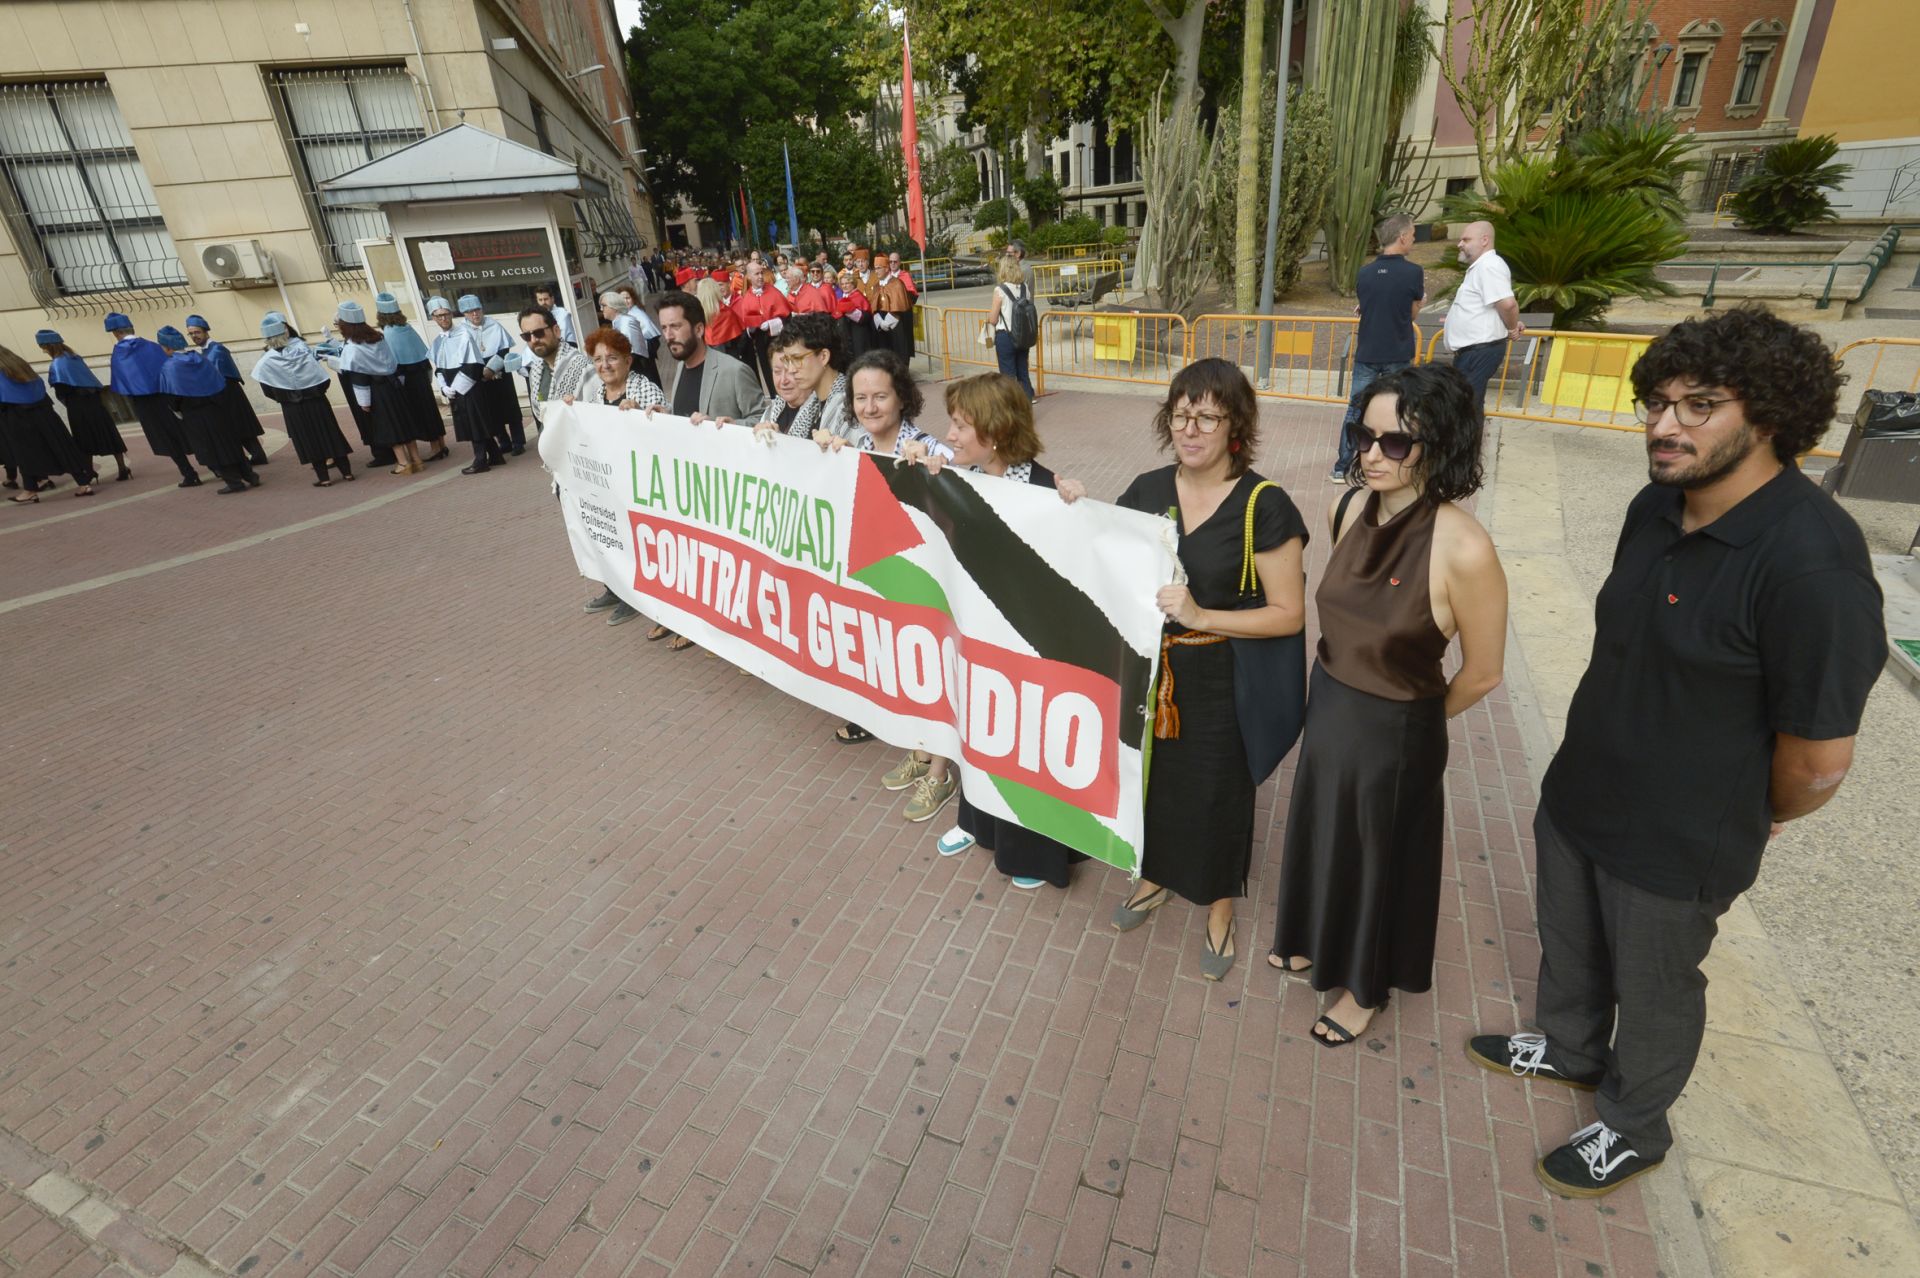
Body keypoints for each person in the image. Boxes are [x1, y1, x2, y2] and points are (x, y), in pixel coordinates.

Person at [1468, 307, 1885, 1198]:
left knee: (1657, 992)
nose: (1665, 426)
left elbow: (1819, 761)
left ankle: (1633, 1123)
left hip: (1680, 838)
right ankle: (1571, 1046)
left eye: (1701, 406)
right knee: (1570, 946)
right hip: (1581, 793)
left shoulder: (1816, 565)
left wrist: (1753, 813)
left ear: (1769, 416)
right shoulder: (1657, 504)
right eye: (1657, 403)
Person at [1269, 364, 1508, 1044]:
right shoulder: (1346, 509)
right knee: (1323, 831)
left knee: (1378, 856)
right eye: (1362, 436)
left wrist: (1411, 719)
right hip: (1332, 708)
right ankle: (1310, 937)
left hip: (1397, 728)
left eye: (1394, 443)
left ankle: (1364, 991)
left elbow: (1484, 673)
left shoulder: (1465, 547)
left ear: (1441, 445)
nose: (1371, 455)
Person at [1112, 358, 1309, 980]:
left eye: (1207, 416)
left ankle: (1219, 908)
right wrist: (1070, 506)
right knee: (1155, 785)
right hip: (1154, 676)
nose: (1190, 430)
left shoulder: (1265, 506)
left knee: (1220, 797)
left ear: (1235, 426)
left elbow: (1287, 615)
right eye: (1180, 415)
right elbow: (1102, 556)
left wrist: (1201, 613)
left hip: (1224, 677)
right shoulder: (1146, 491)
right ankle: (1155, 880)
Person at [916, 373, 1091, 887]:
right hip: (973, 640)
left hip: (1026, 648)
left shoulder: (1045, 492)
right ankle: (978, 821)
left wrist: (1081, 504)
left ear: (994, 432)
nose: (948, 435)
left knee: (1020, 737)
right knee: (977, 728)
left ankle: (1032, 850)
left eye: (960, 424)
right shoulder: (956, 476)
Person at [820, 350, 958, 802]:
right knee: (907, 668)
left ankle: (940, 769)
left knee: (935, 670)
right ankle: (921, 749)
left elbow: (968, 479)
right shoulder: (855, 446)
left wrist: (941, 464)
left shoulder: (927, 447)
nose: (870, 407)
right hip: (883, 581)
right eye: (861, 398)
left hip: (927, 584)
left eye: (880, 396)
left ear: (902, 397)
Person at [563, 327, 668, 634]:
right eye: (597, 359)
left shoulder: (644, 390)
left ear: (628, 360)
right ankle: (616, 587)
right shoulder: (595, 394)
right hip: (607, 484)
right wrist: (572, 412)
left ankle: (633, 596)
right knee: (611, 536)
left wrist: (641, 417)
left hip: (638, 485)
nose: (604, 365)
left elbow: (667, 427)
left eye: (612, 358)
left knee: (635, 540)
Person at [1332, 214, 1424, 483]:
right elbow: (1412, 314)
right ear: (1403, 237)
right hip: (1397, 353)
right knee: (1399, 408)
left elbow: (1368, 305)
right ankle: (1397, 462)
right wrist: (1420, 302)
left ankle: (1341, 465)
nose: (1414, 240)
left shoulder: (1364, 272)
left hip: (1367, 352)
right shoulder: (1413, 273)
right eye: (1414, 235)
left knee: (1355, 409)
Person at [251, 312, 353, 487]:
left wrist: (285, 397)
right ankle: (347, 473)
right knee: (330, 433)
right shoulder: (302, 351)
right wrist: (315, 392)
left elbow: (267, 389)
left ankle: (324, 478)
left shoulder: (266, 361)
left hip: (292, 408)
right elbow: (323, 379)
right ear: (285, 333)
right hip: (317, 402)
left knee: (308, 440)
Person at [156, 325, 258, 494]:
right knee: (229, 443)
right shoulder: (199, 357)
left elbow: (172, 394)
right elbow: (218, 380)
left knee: (212, 448)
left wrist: (176, 409)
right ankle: (250, 475)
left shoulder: (171, 366)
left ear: (167, 347)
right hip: (216, 408)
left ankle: (234, 482)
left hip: (194, 414)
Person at [106, 313, 199, 486]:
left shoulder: (119, 353)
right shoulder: (153, 346)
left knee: (165, 438)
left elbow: (121, 381)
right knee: (186, 430)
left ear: (115, 333)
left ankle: (189, 473)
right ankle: (215, 466)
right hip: (167, 395)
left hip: (144, 403)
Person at [333, 301, 422, 476]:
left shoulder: (353, 348)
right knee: (405, 422)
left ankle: (403, 464)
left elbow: (359, 378)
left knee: (390, 426)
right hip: (394, 386)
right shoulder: (378, 337)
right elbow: (393, 362)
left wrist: (363, 402)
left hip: (377, 392)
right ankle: (417, 459)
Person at [652, 289, 768, 424]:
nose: (668, 336)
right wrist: (668, 414)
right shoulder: (681, 367)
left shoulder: (735, 371)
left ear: (699, 330)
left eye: (675, 326)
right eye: (664, 328)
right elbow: (689, 411)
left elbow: (762, 419)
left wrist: (731, 426)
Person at [1442, 221, 1522, 415]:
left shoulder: (1489, 266)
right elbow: (1490, 307)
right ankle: (1470, 444)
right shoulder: (1481, 267)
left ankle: (1469, 446)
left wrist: (1512, 328)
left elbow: (1508, 304)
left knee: (1465, 409)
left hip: (1478, 351)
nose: (1460, 244)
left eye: (1466, 239)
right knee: (1468, 407)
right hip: (1473, 351)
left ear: (1484, 240)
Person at [1, 345, 95, 502]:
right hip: (43, 409)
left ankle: (30, 490)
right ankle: (83, 483)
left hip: (16, 415)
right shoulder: (18, 364)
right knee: (61, 446)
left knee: (24, 453)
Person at [36, 330, 130, 482]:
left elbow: (62, 389)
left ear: (48, 346)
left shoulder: (58, 364)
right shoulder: (75, 358)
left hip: (77, 406)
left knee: (83, 438)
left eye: (43, 347)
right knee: (108, 433)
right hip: (95, 403)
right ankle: (122, 467)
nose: (43, 350)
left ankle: (89, 471)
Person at [184, 314, 271, 468]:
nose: (193, 336)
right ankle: (256, 455)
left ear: (205, 331)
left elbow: (216, 373)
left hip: (229, 393)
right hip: (222, 394)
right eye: (190, 334)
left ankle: (257, 455)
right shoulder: (205, 351)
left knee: (241, 426)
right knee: (238, 428)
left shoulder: (216, 349)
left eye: (196, 332)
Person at [428, 296, 501, 475]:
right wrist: (444, 387)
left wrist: (457, 388)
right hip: (453, 389)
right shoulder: (438, 341)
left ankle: (480, 460)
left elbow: (473, 365)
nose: (443, 319)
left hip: (469, 387)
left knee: (475, 423)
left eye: (445, 314)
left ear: (451, 314)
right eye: (438, 316)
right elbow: (439, 368)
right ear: (433, 318)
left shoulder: (464, 334)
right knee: (476, 422)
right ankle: (496, 455)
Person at [375, 294, 448, 461]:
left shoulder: (388, 332)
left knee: (421, 413)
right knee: (431, 410)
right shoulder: (407, 327)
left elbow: (392, 361)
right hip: (421, 374)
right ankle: (441, 444)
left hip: (407, 379)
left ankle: (435, 448)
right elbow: (423, 354)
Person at [461, 294, 524, 457]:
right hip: (480, 373)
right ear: (464, 314)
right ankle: (504, 442)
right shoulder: (461, 331)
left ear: (482, 309)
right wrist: (482, 372)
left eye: (477, 310)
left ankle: (518, 442)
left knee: (509, 408)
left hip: (500, 370)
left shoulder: (494, 325)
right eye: (469, 311)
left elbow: (504, 349)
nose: (474, 314)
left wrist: (492, 368)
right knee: (491, 410)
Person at [517, 303, 595, 434]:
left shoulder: (583, 366)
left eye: (539, 333)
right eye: (526, 336)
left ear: (556, 331)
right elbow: (541, 414)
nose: (534, 340)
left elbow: (597, 413)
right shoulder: (535, 371)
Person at [733, 260, 792, 394]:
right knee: (768, 373)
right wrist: (749, 330)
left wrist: (773, 324)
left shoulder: (774, 292)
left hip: (777, 341)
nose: (760, 277)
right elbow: (743, 324)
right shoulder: (746, 297)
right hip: (760, 342)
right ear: (748, 276)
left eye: (761, 273)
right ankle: (773, 397)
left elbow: (787, 318)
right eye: (756, 274)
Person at [989, 254, 1035, 401]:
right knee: (1023, 373)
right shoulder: (1024, 288)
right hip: (1022, 336)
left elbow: (993, 318)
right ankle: (1027, 406)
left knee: (1008, 376)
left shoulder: (999, 290)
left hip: (1005, 337)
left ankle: (1010, 410)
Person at [692, 276, 750, 368]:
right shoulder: (725, 312)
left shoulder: (697, 316)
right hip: (731, 359)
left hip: (709, 362)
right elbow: (741, 335)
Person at [612, 282, 663, 384]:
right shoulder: (622, 316)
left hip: (642, 361)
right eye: (622, 299)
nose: (625, 301)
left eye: (628, 298)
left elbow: (652, 339)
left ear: (633, 299)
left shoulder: (637, 314)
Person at [871, 257, 914, 365]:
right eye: (875, 268)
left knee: (898, 356)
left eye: (879, 268)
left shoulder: (897, 283)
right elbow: (874, 306)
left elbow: (900, 305)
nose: (876, 271)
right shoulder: (876, 286)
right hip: (881, 326)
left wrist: (888, 322)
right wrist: (879, 321)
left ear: (886, 269)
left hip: (896, 325)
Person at [832, 269, 871, 361]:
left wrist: (849, 311)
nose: (844, 286)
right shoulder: (843, 296)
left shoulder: (858, 296)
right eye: (842, 284)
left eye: (847, 283)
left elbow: (865, 316)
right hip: (847, 333)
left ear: (853, 284)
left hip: (858, 333)